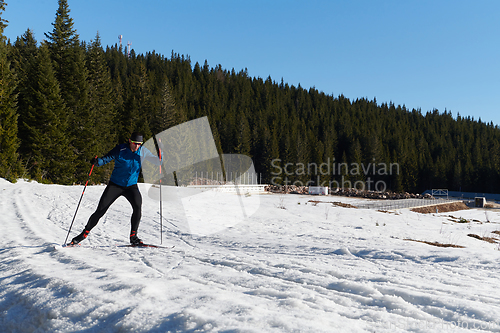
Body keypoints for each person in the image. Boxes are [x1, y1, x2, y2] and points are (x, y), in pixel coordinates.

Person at [69, 132, 160, 246]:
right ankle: (83, 234)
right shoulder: (120, 149)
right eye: (135, 143)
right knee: (101, 210)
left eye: (139, 144)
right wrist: (98, 162)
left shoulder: (143, 151)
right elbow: (107, 158)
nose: (137, 146)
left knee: (137, 206)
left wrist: (161, 154)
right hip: (115, 185)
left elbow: (157, 161)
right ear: (129, 141)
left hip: (131, 186)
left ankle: (133, 237)